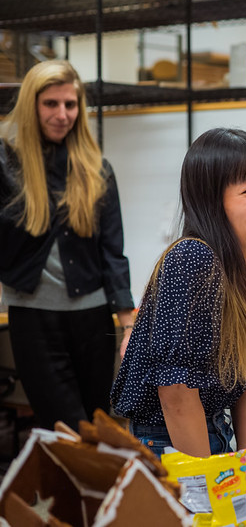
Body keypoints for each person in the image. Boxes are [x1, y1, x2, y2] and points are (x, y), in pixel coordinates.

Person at [111, 127, 246, 461]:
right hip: (168, 442)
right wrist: (209, 482)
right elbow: (176, 395)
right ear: (212, 201)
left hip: (215, 430)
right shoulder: (192, 259)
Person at [0, 60, 135, 431]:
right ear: (31, 106)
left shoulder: (96, 169)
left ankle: (105, 491)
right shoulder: (7, 165)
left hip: (92, 318)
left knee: (101, 424)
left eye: (70, 105)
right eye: (51, 104)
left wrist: (128, 324)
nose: (63, 115)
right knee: (66, 428)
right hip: (33, 318)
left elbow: (112, 251)